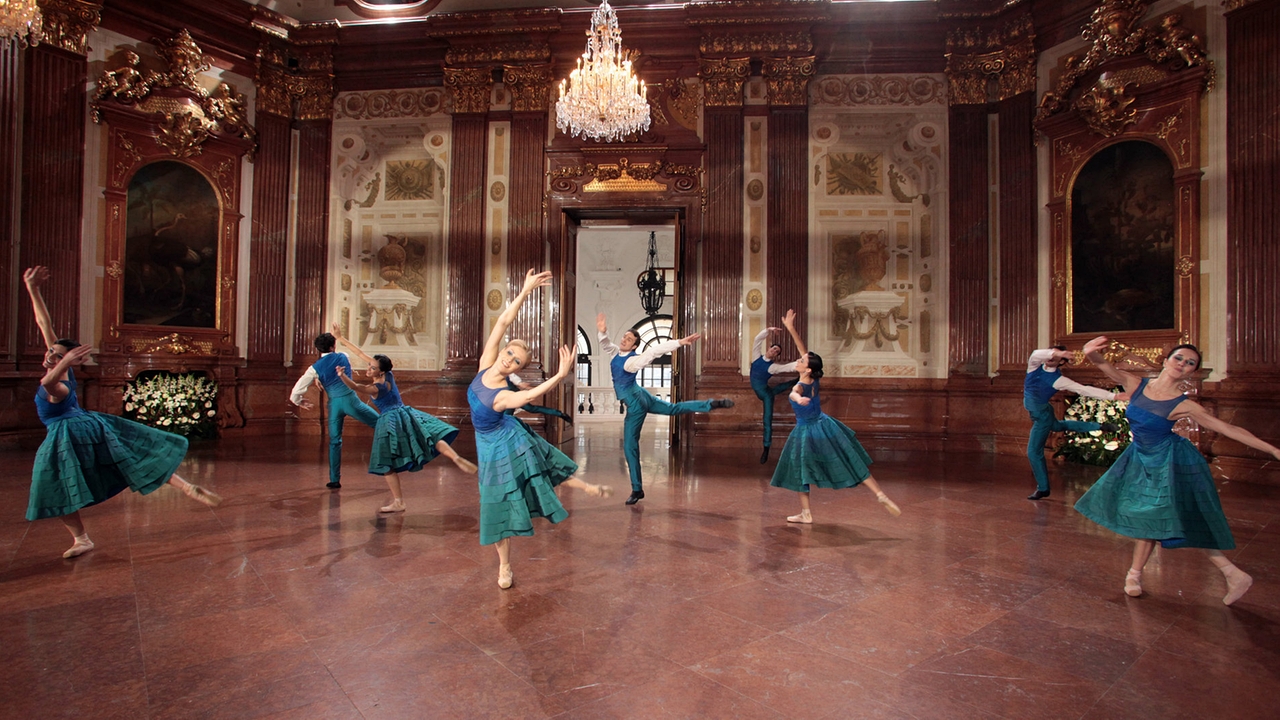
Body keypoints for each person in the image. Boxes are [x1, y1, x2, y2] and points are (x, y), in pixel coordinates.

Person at [22, 266, 221, 559]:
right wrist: (33, 290)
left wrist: (63, 363)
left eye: (55, 354)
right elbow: (44, 323)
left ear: (66, 361)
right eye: (50, 352)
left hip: (68, 435)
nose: (48, 354)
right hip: (91, 427)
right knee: (132, 456)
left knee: (52, 487)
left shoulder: (59, 384)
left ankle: (82, 538)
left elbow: (47, 382)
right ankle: (185, 486)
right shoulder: (60, 368)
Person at [1074, 337, 1280, 606]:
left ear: (1192, 372)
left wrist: (1274, 450)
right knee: (1150, 516)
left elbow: (1228, 429)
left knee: (1163, 516)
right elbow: (1104, 366)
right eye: (1179, 358)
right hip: (1140, 457)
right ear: (1166, 360)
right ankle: (1139, 576)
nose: (1182, 364)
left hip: (1168, 461)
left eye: (1190, 363)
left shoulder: (1185, 405)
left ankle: (1140, 576)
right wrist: (1090, 352)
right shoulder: (1137, 384)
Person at [471, 269, 612, 589]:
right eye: (510, 354)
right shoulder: (484, 364)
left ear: (518, 369)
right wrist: (523, 292)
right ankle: (505, 564)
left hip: (505, 441)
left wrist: (561, 375)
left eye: (516, 362)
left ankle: (504, 568)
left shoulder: (503, 394)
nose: (509, 361)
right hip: (487, 443)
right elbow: (502, 323)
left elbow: (530, 395)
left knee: (510, 492)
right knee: (495, 500)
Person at [769, 311, 900, 523]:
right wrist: (791, 328)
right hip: (825, 425)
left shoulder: (800, 385)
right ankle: (879, 494)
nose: (798, 359)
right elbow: (804, 351)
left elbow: (795, 392)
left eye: (801, 360)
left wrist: (796, 397)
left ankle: (806, 513)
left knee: (800, 469)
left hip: (806, 432)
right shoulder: (813, 378)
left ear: (807, 368)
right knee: (849, 458)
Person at [330, 325, 478, 513]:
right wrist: (341, 338)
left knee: (385, 462)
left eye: (372, 367)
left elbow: (356, 386)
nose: (368, 368)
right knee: (429, 436)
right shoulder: (388, 374)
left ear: (380, 372)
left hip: (389, 422)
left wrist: (342, 375)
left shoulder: (377, 388)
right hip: (405, 413)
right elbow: (360, 353)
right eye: (370, 365)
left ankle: (399, 501)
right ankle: (455, 457)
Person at [597, 312, 733, 505]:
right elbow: (606, 345)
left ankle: (637, 489)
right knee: (673, 408)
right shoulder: (617, 353)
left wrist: (679, 343)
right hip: (640, 394)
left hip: (636, 403)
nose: (625, 340)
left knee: (630, 446)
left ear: (635, 346)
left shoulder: (632, 362)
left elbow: (653, 351)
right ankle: (710, 404)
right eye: (625, 337)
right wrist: (602, 332)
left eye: (629, 339)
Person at [1023, 345, 1122, 500]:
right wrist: (1059, 353)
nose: (1051, 358)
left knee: (1033, 453)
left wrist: (1113, 397)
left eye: (1056, 357)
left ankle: (1043, 488)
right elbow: (1035, 354)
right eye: (1051, 353)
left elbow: (1083, 390)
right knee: (1057, 426)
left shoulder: (1058, 380)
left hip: (1042, 416)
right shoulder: (1035, 366)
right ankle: (1100, 426)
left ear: (1062, 363)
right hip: (1044, 411)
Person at [289, 330, 379, 489]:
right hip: (351, 401)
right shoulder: (343, 356)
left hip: (334, 405)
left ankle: (334, 479)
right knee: (380, 423)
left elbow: (297, 390)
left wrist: (299, 401)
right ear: (333, 346)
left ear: (319, 349)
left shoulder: (314, 368)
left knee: (335, 441)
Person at [750, 310, 801, 464]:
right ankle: (794, 382)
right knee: (776, 390)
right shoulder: (756, 357)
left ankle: (766, 448)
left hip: (764, 394)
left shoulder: (773, 367)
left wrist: (801, 362)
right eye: (773, 348)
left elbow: (787, 367)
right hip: (764, 390)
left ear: (776, 356)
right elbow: (757, 340)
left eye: (777, 351)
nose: (774, 351)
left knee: (767, 420)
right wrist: (768, 330)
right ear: (769, 349)